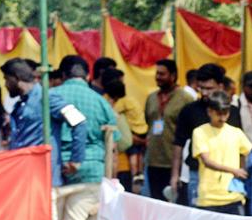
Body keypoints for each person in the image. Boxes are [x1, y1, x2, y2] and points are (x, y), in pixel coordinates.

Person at [53, 55, 120, 220]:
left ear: (62, 75)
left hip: (58, 169)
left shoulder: (53, 96)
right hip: (93, 170)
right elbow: (116, 139)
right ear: (87, 76)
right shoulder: (100, 101)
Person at [3, 57, 88, 186]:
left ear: (16, 77)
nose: (5, 85)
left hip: (44, 178)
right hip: (23, 176)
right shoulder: (20, 105)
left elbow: (79, 121)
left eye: (6, 79)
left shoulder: (47, 98)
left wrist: (76, 160)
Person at [172, 63, 243, 206]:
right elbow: (178, 143)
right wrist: (174, 175)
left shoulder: (232, 112)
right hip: (197, 174)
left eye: (209, 88)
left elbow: (240, 146)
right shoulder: (189, 110)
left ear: (221, 86)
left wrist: (240, 172)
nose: (204, 93)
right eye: (201, 88)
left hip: (227, 176)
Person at [192, 90, 252, 216]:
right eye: (218, 114)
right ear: (209, 111)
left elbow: (251, 153)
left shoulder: (236, 132)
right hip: (208, 199)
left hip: (234, 197)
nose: (222, 117)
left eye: (225, 113)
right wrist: (234, 170)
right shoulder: (200, 132)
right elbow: (207, 161)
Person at [143, 58, 193, 202]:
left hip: (175, 163)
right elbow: (148, 121)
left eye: (162, 74)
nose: (158, 77)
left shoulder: (185, 98)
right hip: (153, 161)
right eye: (157, 74)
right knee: (155, 203)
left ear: (173, 75)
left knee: (175, 206)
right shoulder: (151, 98)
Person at [103, 67, 148, 192]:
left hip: (118, 165)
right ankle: (137, 174)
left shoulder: (118, 103)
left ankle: (136, 174)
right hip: (116, 165)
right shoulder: (116, 104)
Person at [102, 74, 135, 187]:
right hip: (116, 165)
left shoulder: (102, 105)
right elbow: (126, 142)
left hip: (111, 164)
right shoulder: (113, 113)